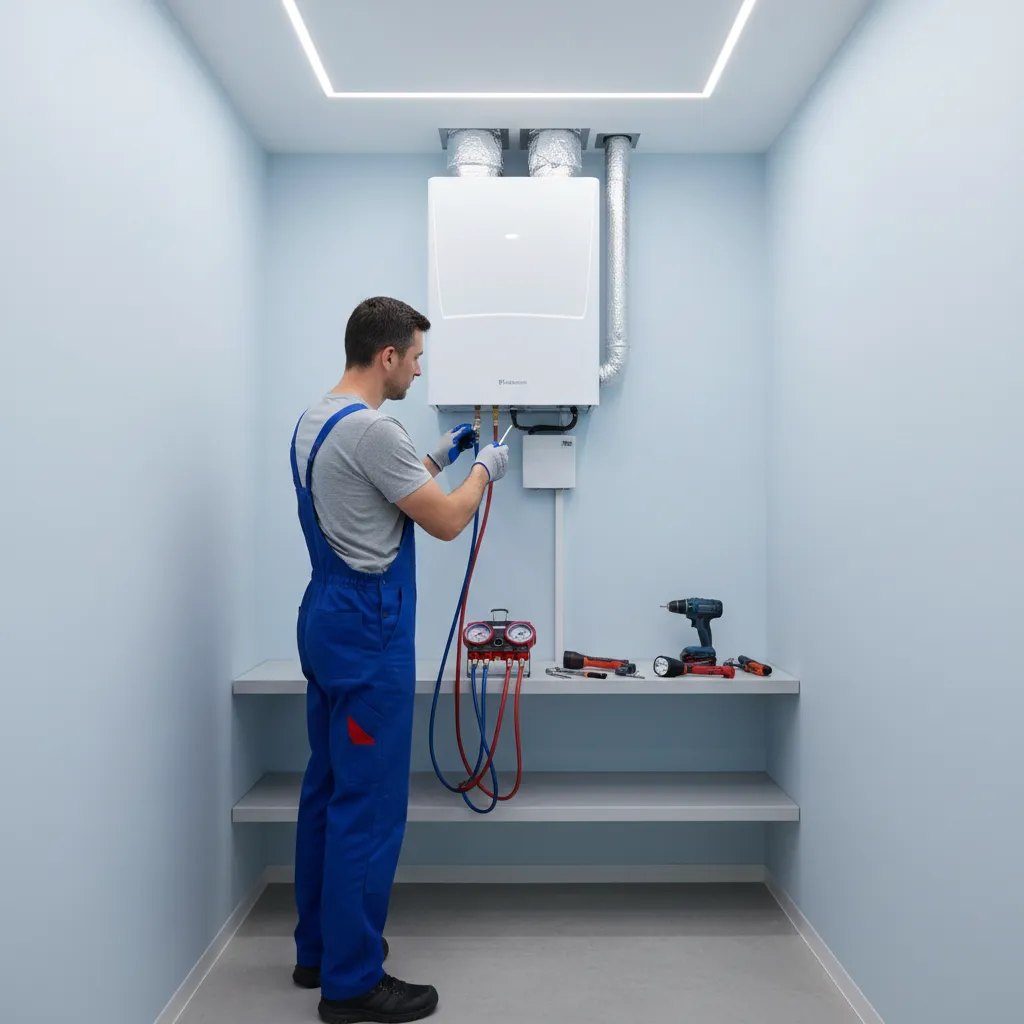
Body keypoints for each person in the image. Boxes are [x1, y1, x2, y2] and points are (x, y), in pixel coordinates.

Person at [287, 296, 508, 1024]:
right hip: (367, 631)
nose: (419, 367)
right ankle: (352, 985)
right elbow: (443, 521)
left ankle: (316, 950)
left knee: (326, 789)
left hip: (324, 617)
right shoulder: (378, 429)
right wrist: (486, 470)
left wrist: (443, 453)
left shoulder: (319, 418)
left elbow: (372, 486)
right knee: (370, 807)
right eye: (415, 357)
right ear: (387, 357)